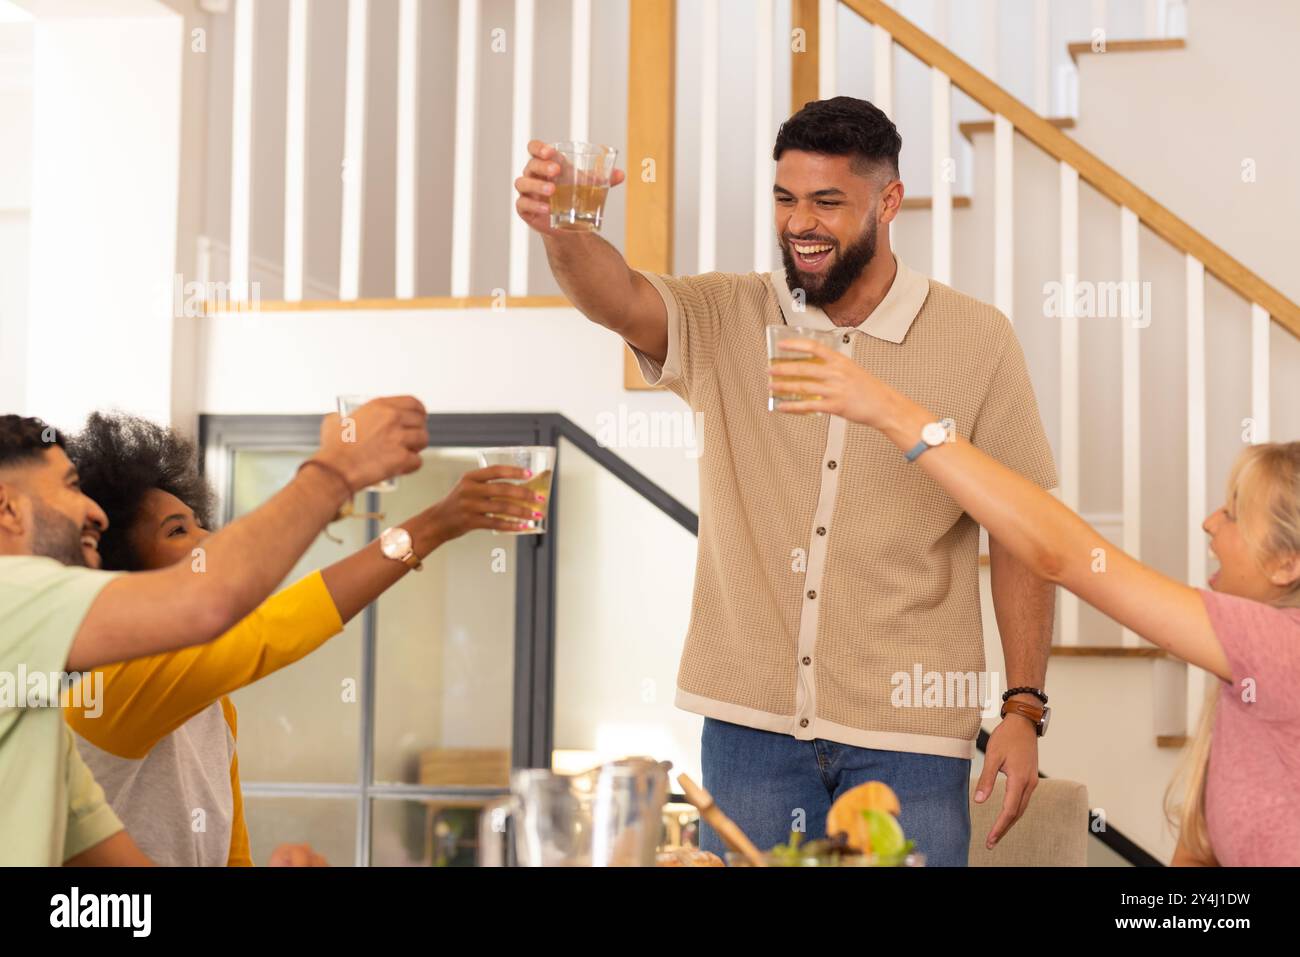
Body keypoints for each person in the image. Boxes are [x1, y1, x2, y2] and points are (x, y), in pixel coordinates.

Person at [515, 97, 1059, 864]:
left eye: (828, 202)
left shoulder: (977, 338)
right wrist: (565, 229)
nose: (800, 222)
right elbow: (620, 298)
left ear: (889, 201)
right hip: (747, 734)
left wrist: (1023, 707)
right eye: (785, 198)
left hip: (909, 735)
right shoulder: (730, 312)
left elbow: (1022, 528)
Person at [769, 338, 1300, 866]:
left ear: (1286, 564)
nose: (1210, 522)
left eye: (1233, 512)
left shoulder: (1281, 648)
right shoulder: (1244, 678)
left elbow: (1062, 554)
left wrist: (890, 411)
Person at [61, 411, 543, 866]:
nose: (210, 539)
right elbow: (275, 629)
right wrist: (434, 524)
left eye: (201, 521)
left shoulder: (212, 709)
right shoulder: (106, 690)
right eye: (178, 530)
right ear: (122, 568)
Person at [0, 399, 423, 865]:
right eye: (69, 487)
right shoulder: (70, 650)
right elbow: (231, 611)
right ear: (8, 508)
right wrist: (343, 472)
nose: (93, 515)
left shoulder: (43, 722)